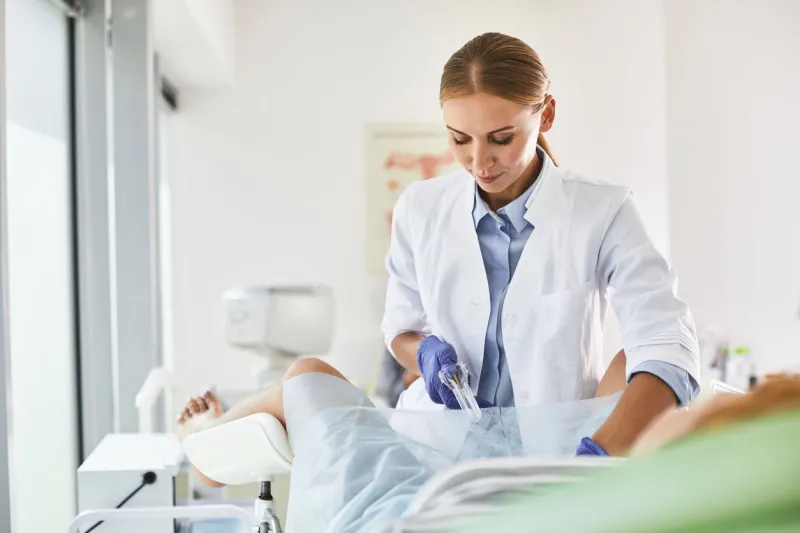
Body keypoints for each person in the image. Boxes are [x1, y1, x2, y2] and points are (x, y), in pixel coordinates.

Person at [381, 32, 700, 456]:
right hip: (435, 449)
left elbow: (666, 340)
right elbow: (400, 329)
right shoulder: (419, 208)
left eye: (501, 138)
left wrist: (603, 453)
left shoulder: (603, 209)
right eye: (460, 139)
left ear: (546, 115)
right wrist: (423, 353)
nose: (479, 161)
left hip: (553, 453)